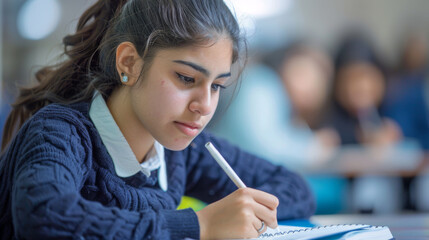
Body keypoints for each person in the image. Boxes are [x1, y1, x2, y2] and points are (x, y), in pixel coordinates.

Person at [0, 0, 315, 239]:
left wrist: (244, 212)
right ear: (130, 63)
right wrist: (199, 224)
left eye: (217, 85)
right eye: (186, 78)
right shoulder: (61, 132)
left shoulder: (183, 150)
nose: (205, 106)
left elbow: (295, 189)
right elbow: (45, 215)